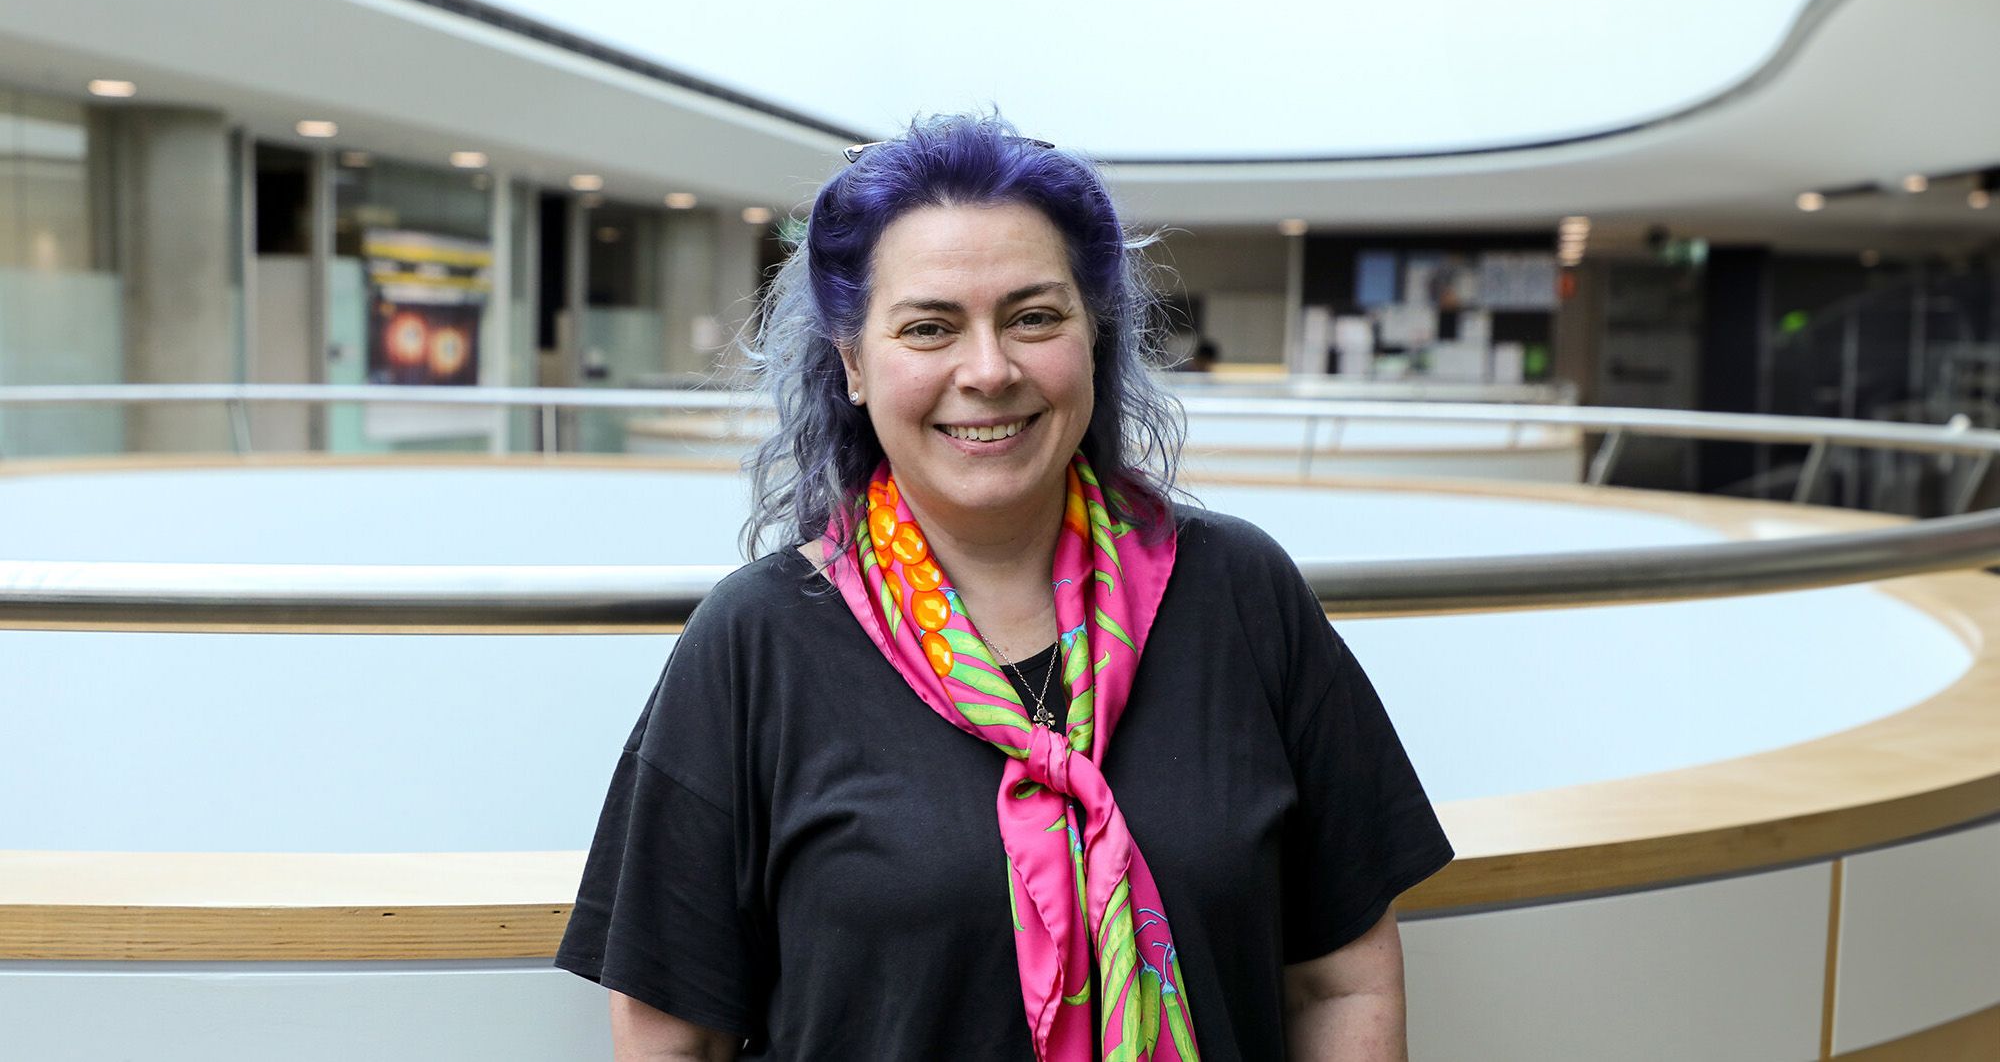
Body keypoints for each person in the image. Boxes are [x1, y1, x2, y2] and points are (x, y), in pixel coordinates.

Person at [556, 114, 1453, 1060]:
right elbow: (672, 1039)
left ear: (1093, 339)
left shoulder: (1241, 594)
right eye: (929, 327)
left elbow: (1340, 980)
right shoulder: (753, 643)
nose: (988, 370)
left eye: (1033, 316)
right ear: (854, 363)